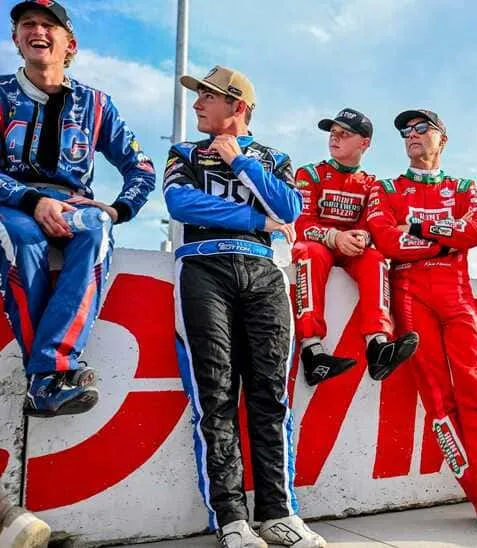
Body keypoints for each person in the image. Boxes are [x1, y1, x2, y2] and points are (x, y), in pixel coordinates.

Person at [164, 66, 325, 547]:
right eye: (198, 97)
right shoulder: (184, 152)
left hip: (263, 274)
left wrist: (240, 163)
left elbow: (290, 208)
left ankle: (279, 513)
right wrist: (258, 219)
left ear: (238, 107)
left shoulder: (274, 158)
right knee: (215, 397)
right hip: (202, 268)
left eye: (207, 97)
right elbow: (181, 204)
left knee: (270, 398)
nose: (197, 104)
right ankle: (232, 519)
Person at [366, 109, 477, 537]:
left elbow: (475, 231)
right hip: (409, 294)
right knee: (439, 400)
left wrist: (417, 226)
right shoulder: (385, 188)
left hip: (456, 295)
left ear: (442, 139)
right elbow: (388, 242)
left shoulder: (463, 187)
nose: (412, 135)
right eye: (406, 131)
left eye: (422, 128)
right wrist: (444, 241)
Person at [0, 0, 155, 417]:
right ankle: (50, 377)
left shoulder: (96, 103)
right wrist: (33, 200)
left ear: (70, 43)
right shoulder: (1, 93)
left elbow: (141, 167)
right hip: (9, 199)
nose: (37, 31)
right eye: (28, 24)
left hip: (72, 201)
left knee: (98, 226)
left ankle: (48, 372)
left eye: (48, 25)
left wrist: (120, 208)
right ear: (15, 38)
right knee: (24, 240)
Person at [292, 108, 418, 386]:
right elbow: (301, 223)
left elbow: (374, 225)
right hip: (318, 246)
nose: (334, 138)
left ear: (365, 143)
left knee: (375, 257)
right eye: (333, 132)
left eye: (344, 134)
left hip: (351, 252)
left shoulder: (372, 184)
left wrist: (363, 237)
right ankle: (312, 351)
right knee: (310, 251)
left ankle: (378, 345)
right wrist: (335, 237)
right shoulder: (310, 173)